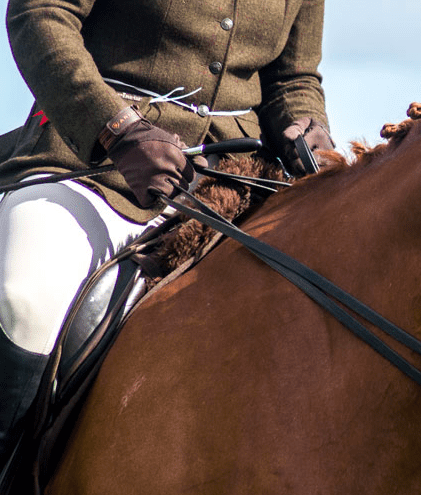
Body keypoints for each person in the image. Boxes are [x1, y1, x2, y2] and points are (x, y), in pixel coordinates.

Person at [0, 0, 334, 470]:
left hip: (232, 181)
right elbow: (40, 15)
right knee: (26, 299)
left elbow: (293, 78)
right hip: (92, 166)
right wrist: (114, 128)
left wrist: (307, 125)